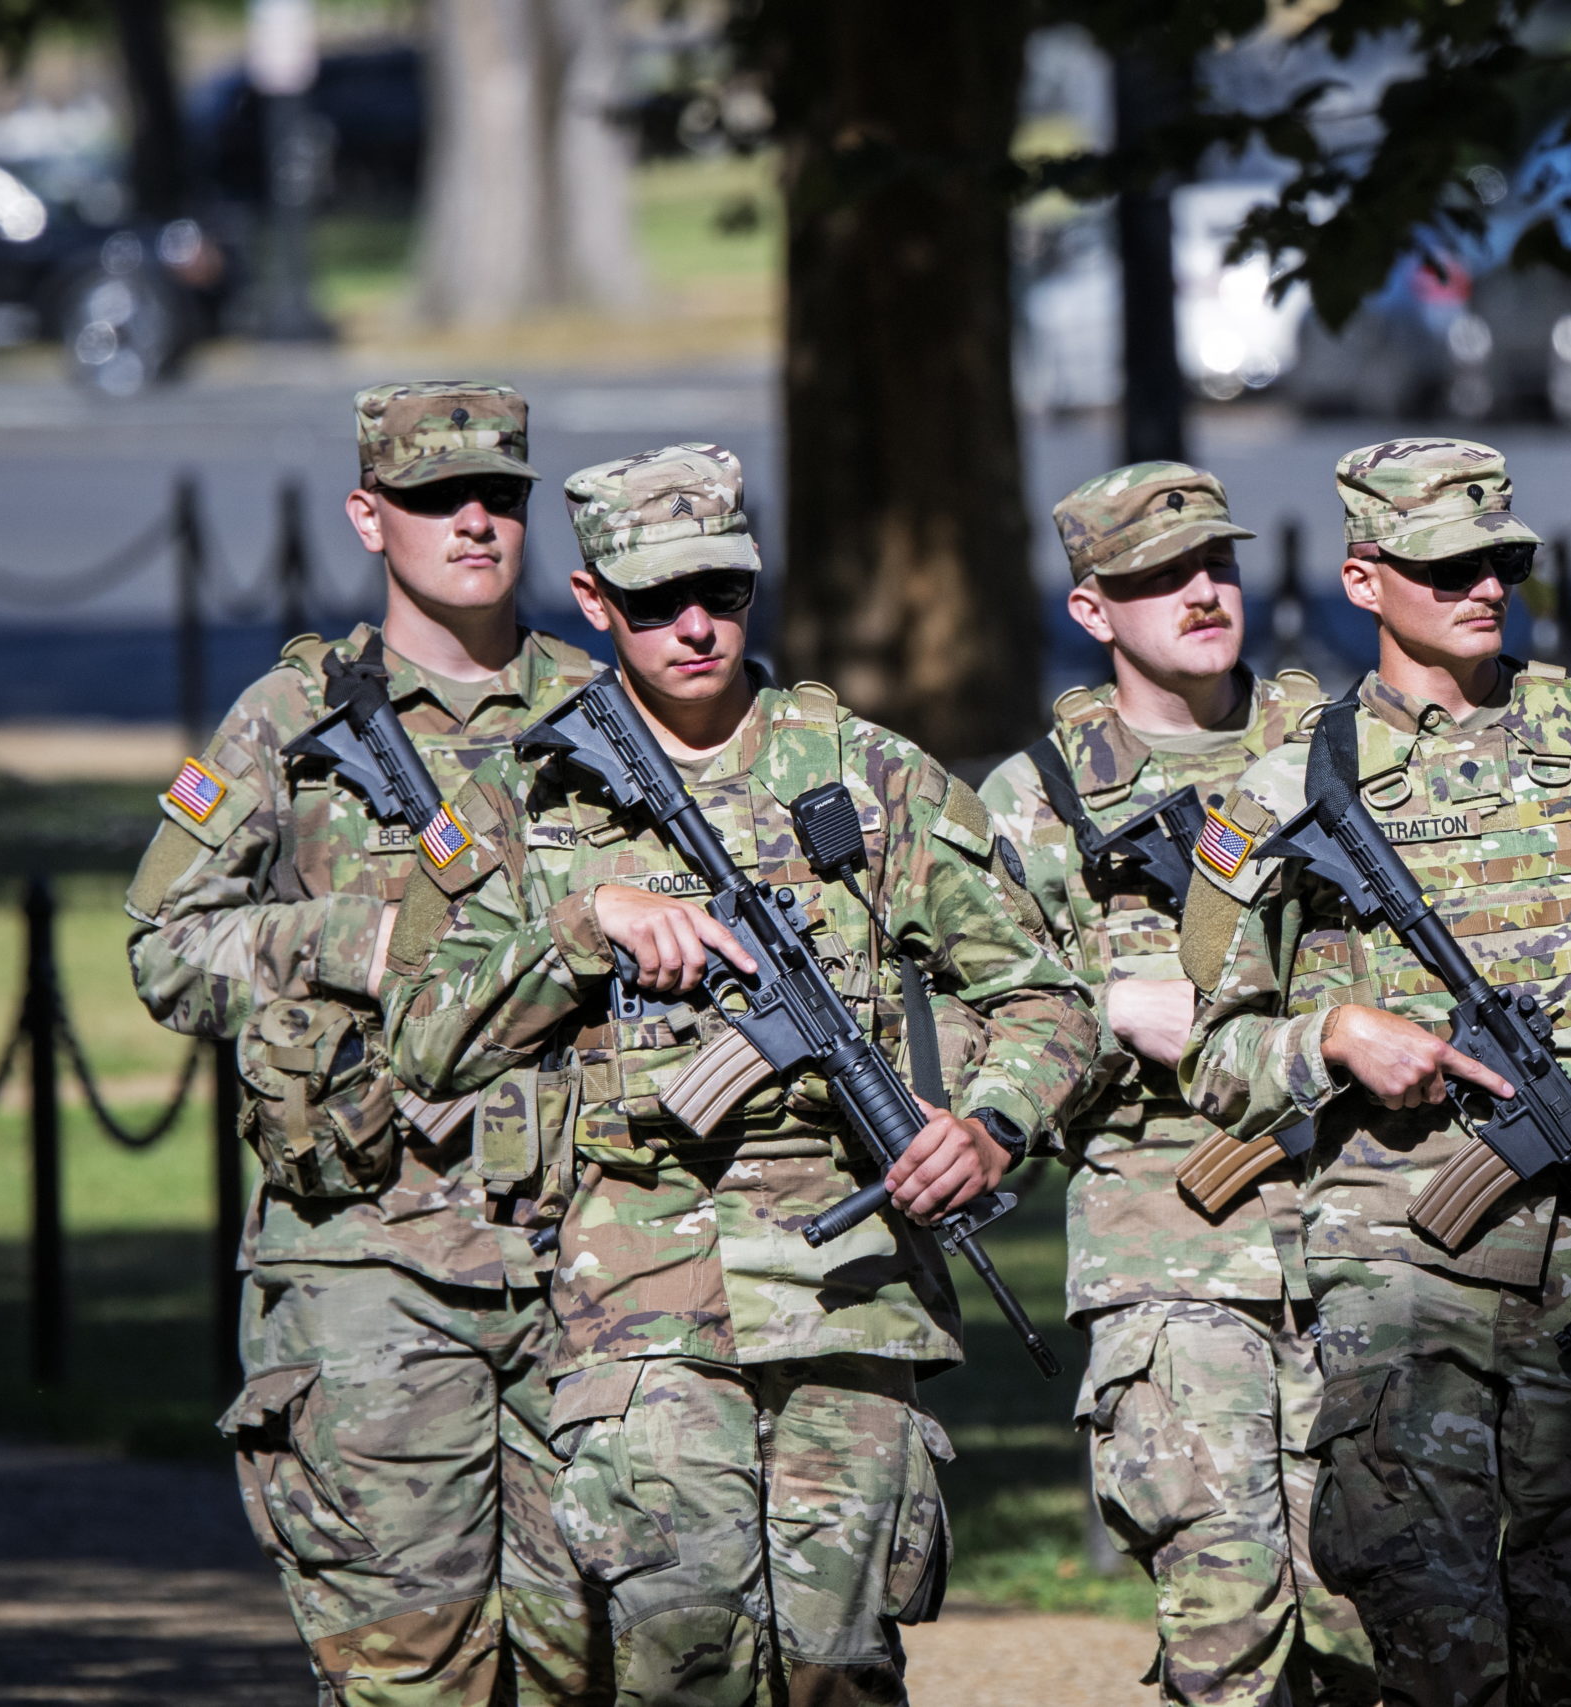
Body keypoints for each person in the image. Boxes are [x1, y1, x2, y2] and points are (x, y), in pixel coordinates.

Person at [383, 443, 1100, 1707]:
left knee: (839, 1674)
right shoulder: (517, 803)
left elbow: (1045, 997)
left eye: (723, 589)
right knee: (682, 1665)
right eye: (657, 601)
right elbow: (423, 1040)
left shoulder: (868, 780)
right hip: (634, 1302)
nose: (698, 625)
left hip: (850, 1298)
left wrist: (988, 1126)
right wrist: (577, 926)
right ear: (595, 602)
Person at [1178, 439, 1571, 1707]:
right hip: (1402, 1297)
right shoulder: (1287, 789)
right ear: (1363, 577)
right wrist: (1329, 1038)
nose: (1483, 587)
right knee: (1438, 1667)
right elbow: (1214, 1054)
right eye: (1446, 564)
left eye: (1502, 560)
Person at [125, 381, 608, 1705]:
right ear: (367, 513)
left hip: (591, 1251)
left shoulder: (599, 717)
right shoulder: (291, 720)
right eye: (436, 496)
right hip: (368, 1246)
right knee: (410, 1668)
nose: (474, 521)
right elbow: (167, 943)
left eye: (501, 496)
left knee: (601, 1662)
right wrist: (365, 938)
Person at [979, 462, 1373, 1707]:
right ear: (1093, 610)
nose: (1201, 594)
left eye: (1216, 566)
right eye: (1157, 579)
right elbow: (962, 1017)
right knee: (1228, 1613)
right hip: (1168, 1245)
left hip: (1370, 1226)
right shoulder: (1034, 801)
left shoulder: (1343, 755)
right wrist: (1102, 1011)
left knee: (1378, 1620)